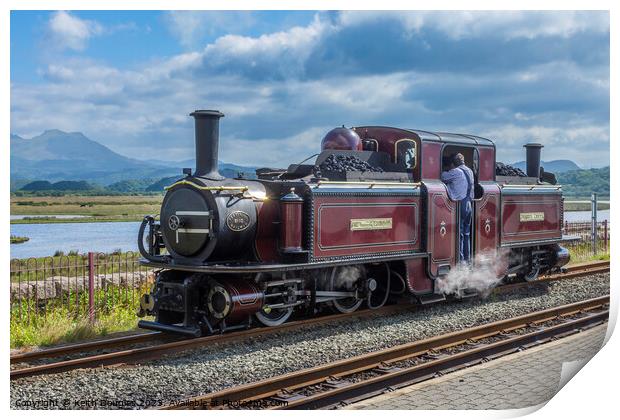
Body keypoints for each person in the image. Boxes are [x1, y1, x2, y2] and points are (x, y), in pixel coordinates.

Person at [440, 153, 475, 263]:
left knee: (458, 233)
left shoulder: (456, 172)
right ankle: (467, 259)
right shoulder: (469, 171)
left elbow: (442, 177)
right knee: (466, 233)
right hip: (469, 203)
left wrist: (446, 169)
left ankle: (460, 260)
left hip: (460, 204)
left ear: (453, 163)